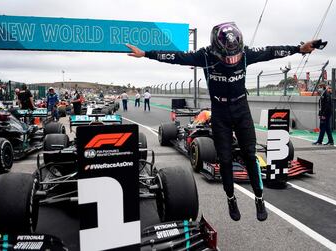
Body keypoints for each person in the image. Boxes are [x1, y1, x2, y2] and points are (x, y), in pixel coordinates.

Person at [126, 22, 318, 222]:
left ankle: (259, 199)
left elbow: (272, 51)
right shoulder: (204, 55)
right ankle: (230, 198)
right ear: (216, 49)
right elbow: (176, 57)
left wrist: (298, 49)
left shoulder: (246, 54)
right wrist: (146, 54)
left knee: (250, 156)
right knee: (224, 159)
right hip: (219, 111)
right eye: (227, 56)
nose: (231, 60)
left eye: (234, 56)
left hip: (241, 109)